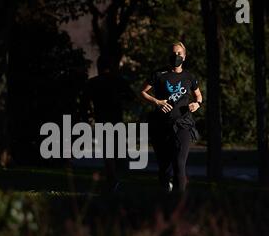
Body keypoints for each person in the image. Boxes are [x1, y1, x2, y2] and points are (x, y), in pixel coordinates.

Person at [140, 42, 203, 193]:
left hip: (183, 124)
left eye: (179, 54)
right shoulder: (158, 74)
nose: (176, 57)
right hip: (161, 125)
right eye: (174, 54)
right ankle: (165, 196)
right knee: (164, 166)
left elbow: (198, 95)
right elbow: (143, 92)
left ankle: (179, 202)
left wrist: (197, 104)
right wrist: (157, 102)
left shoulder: (189, 76)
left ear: (184, 57)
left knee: (179, 163)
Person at [80, 56, 135, 192]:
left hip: (102, 119)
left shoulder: (93, 83)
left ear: (99, 67)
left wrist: (88, 116)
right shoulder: (118, 81)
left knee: (107, 152)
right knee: (118, 151)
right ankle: (118, 178)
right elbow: (132, 97)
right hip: (116, 119)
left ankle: (112, 179)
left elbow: (84, 103)